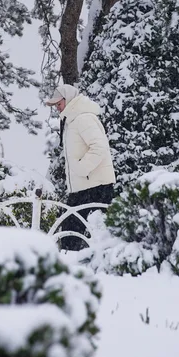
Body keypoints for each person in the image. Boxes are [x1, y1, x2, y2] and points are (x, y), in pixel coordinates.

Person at [45, 84, 116, 250]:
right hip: (84, 187)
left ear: (68, 99)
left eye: (58, 103)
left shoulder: (83, 118)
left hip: (94, 187)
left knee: (88, 233)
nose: (57, 107)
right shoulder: (72, 120)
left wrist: (81, 169)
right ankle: (76, 266)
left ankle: (80, 267)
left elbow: (99, 147)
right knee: (76, 232)